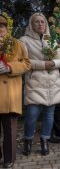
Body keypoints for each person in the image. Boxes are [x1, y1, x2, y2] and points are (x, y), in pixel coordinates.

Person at [20, 13, 60, 156]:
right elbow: (23, 62)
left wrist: (53, 63)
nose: (40, 24)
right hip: (35, 82)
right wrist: (42, 64)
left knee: (49, 114)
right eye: (37, 22)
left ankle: (45, 140)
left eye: (43, 22)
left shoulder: (52, 39)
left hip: (53, 83)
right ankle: (27, 140)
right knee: (32, 114)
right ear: (31, 24)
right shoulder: (24, 40)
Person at [0, 14, 31, 168]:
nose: (0, 30)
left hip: (9, 94)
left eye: (2, 27)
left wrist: (9, 67)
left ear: (7, 28)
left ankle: (9, 159)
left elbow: (26, 64)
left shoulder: (16, 44)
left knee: (10, 130)